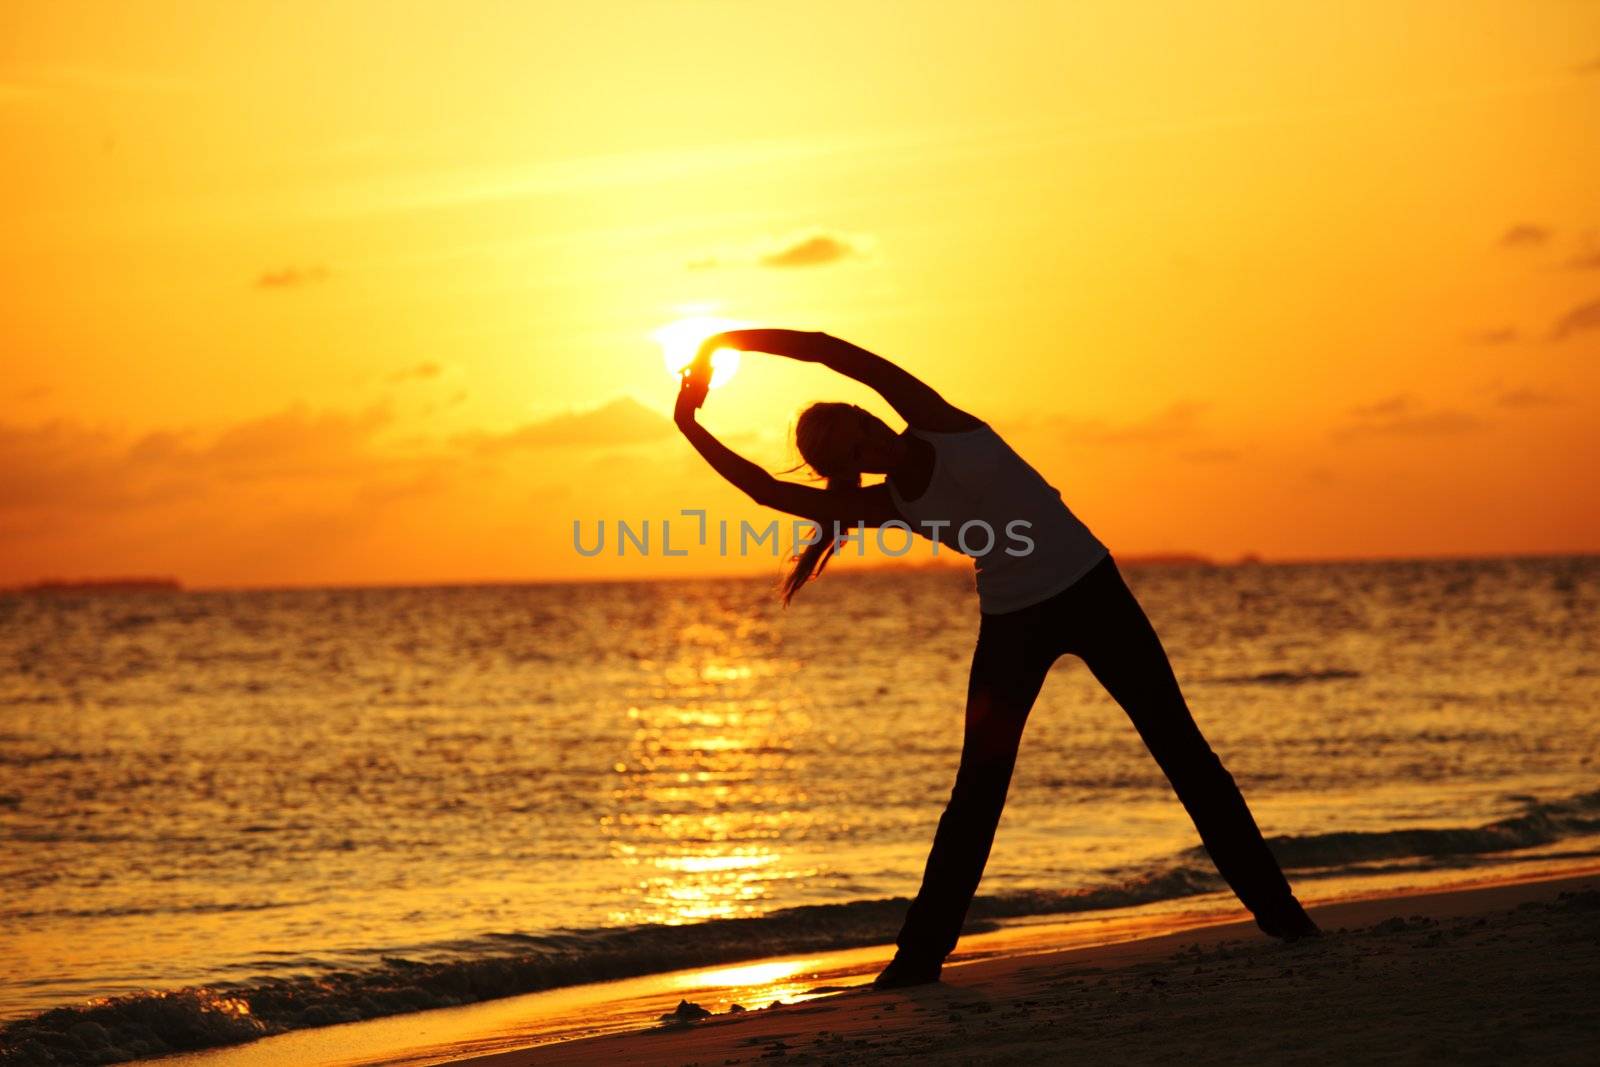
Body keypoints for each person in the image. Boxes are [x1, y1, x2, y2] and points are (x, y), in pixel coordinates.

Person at [672, 328, 1320, 989]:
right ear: (854, 467)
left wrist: (727, 340)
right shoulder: (886, 500)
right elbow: (765, 491)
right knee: (977, 792)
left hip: (1093, 590)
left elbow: (830, 351)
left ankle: (1283, 915)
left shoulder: (938, 422)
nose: (867, 444)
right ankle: (917, 960)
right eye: (852, 453)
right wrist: (686, 423)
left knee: (1183, 752)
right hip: (1013, 620)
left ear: (867, 414)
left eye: (859, 428)